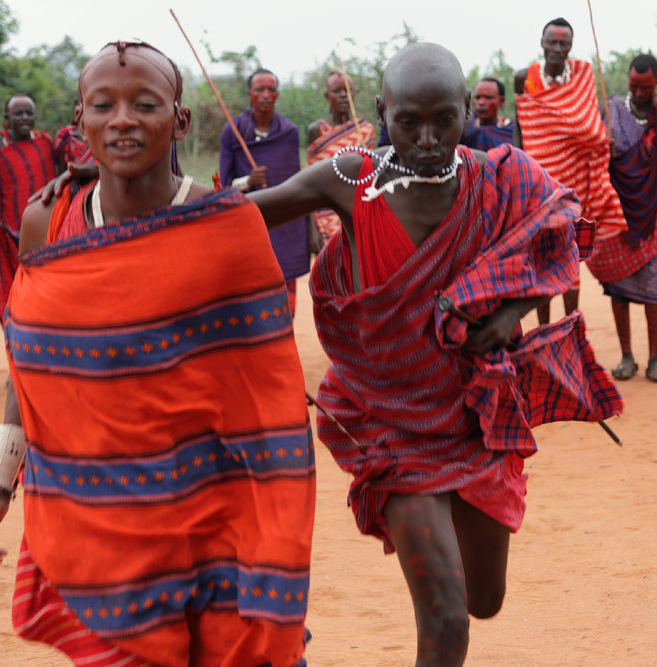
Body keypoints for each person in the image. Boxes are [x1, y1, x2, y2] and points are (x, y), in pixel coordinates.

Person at [247, 42, 622, 667]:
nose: (426, 138)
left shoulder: (499, 176)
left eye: (443, 119)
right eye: (408, 121)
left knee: (484, 599)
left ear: (465, 115)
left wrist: (510, 313)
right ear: (380, 113)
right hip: (388, 424)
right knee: (447, 622)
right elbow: (237, 217)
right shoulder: (351, 178)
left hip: (475, 418)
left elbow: (561, 227)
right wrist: (122, 194)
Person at [0, 41, 315, 667]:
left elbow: (261, 382)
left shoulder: (223, 225)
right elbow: (37, 369)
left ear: (180, 120)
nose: (122, 119)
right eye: (103, 106)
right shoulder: (50, 221)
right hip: (98, 514)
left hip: (213, 512)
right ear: (79, 121)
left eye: (145, 104)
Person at [514, 17, 626, 325]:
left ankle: (570, 326)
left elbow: (588, 123)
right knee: (539, 255)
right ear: (542, 42)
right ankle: (543, 330)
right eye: (552, 41)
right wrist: (516, 166)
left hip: (576, 177)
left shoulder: (582, 72)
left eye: (564, 43)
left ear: (571, 45)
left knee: (570, 252)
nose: (558, 48)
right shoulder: (525, 77)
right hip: (539, 182)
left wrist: (602, 140)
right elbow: (523, 128)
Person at [585, 54, 657, 382]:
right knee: (618, 287)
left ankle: (655, 359)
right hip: (615, 211)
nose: (639, 92)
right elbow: (592, 156)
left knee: (655, 287)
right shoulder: (610, 110)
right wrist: (602, 148)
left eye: (646, 87)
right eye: (634, 86)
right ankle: (627, 357)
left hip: (651, 213)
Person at [220, 69, 313, 314]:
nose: (265, 95)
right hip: (247, 223)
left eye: (271, 89)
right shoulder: (233, 130)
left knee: (286, 306)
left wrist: (309, 228)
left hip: (285, 227)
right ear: (249, 94)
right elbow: (223, 186)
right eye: (259, 89)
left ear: (278, 95)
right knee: (251, 302)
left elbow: (297, 186)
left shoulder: (289, 132)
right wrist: (247, 182)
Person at [0, 95, 55, 322]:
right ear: (7, 118)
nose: (25, 118)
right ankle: (18, 331)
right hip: (7, 232)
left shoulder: (45, 143)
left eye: (29, 113)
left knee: (46, 287)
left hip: (44, 231)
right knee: (13, 287)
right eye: (18, 113)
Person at [306, 71, 377, 244]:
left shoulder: (365, 130)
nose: (343, 95)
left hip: (361, 210)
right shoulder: (317, 130)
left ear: (355, 93)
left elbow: (372, 177)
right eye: (337, 91)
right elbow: (309, 181)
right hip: (327, 214)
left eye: (348, 90)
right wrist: (312, 229)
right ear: (327, 95)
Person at [458, 77, 513, 152]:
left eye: (488, 98)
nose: (481, 103)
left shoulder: (512, 130)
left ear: (502, 101)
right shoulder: (464, 125)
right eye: (477, 98)